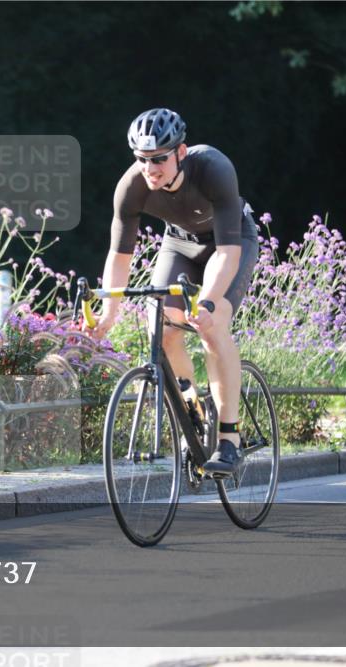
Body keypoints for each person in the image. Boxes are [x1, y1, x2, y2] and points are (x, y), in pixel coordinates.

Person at [88, 108, 259, 476]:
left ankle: (230, 439)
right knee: (161, 331)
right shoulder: (131, 187)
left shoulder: (213, 168)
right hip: (179, 245)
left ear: (180, 152)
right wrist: (108, 313)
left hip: (230, 243)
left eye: (159, 160)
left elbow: (228, 254)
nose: (150, 169)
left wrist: (209, 301)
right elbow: (119, 257)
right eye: (142, 160)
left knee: (212, 326)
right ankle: (194, 410)